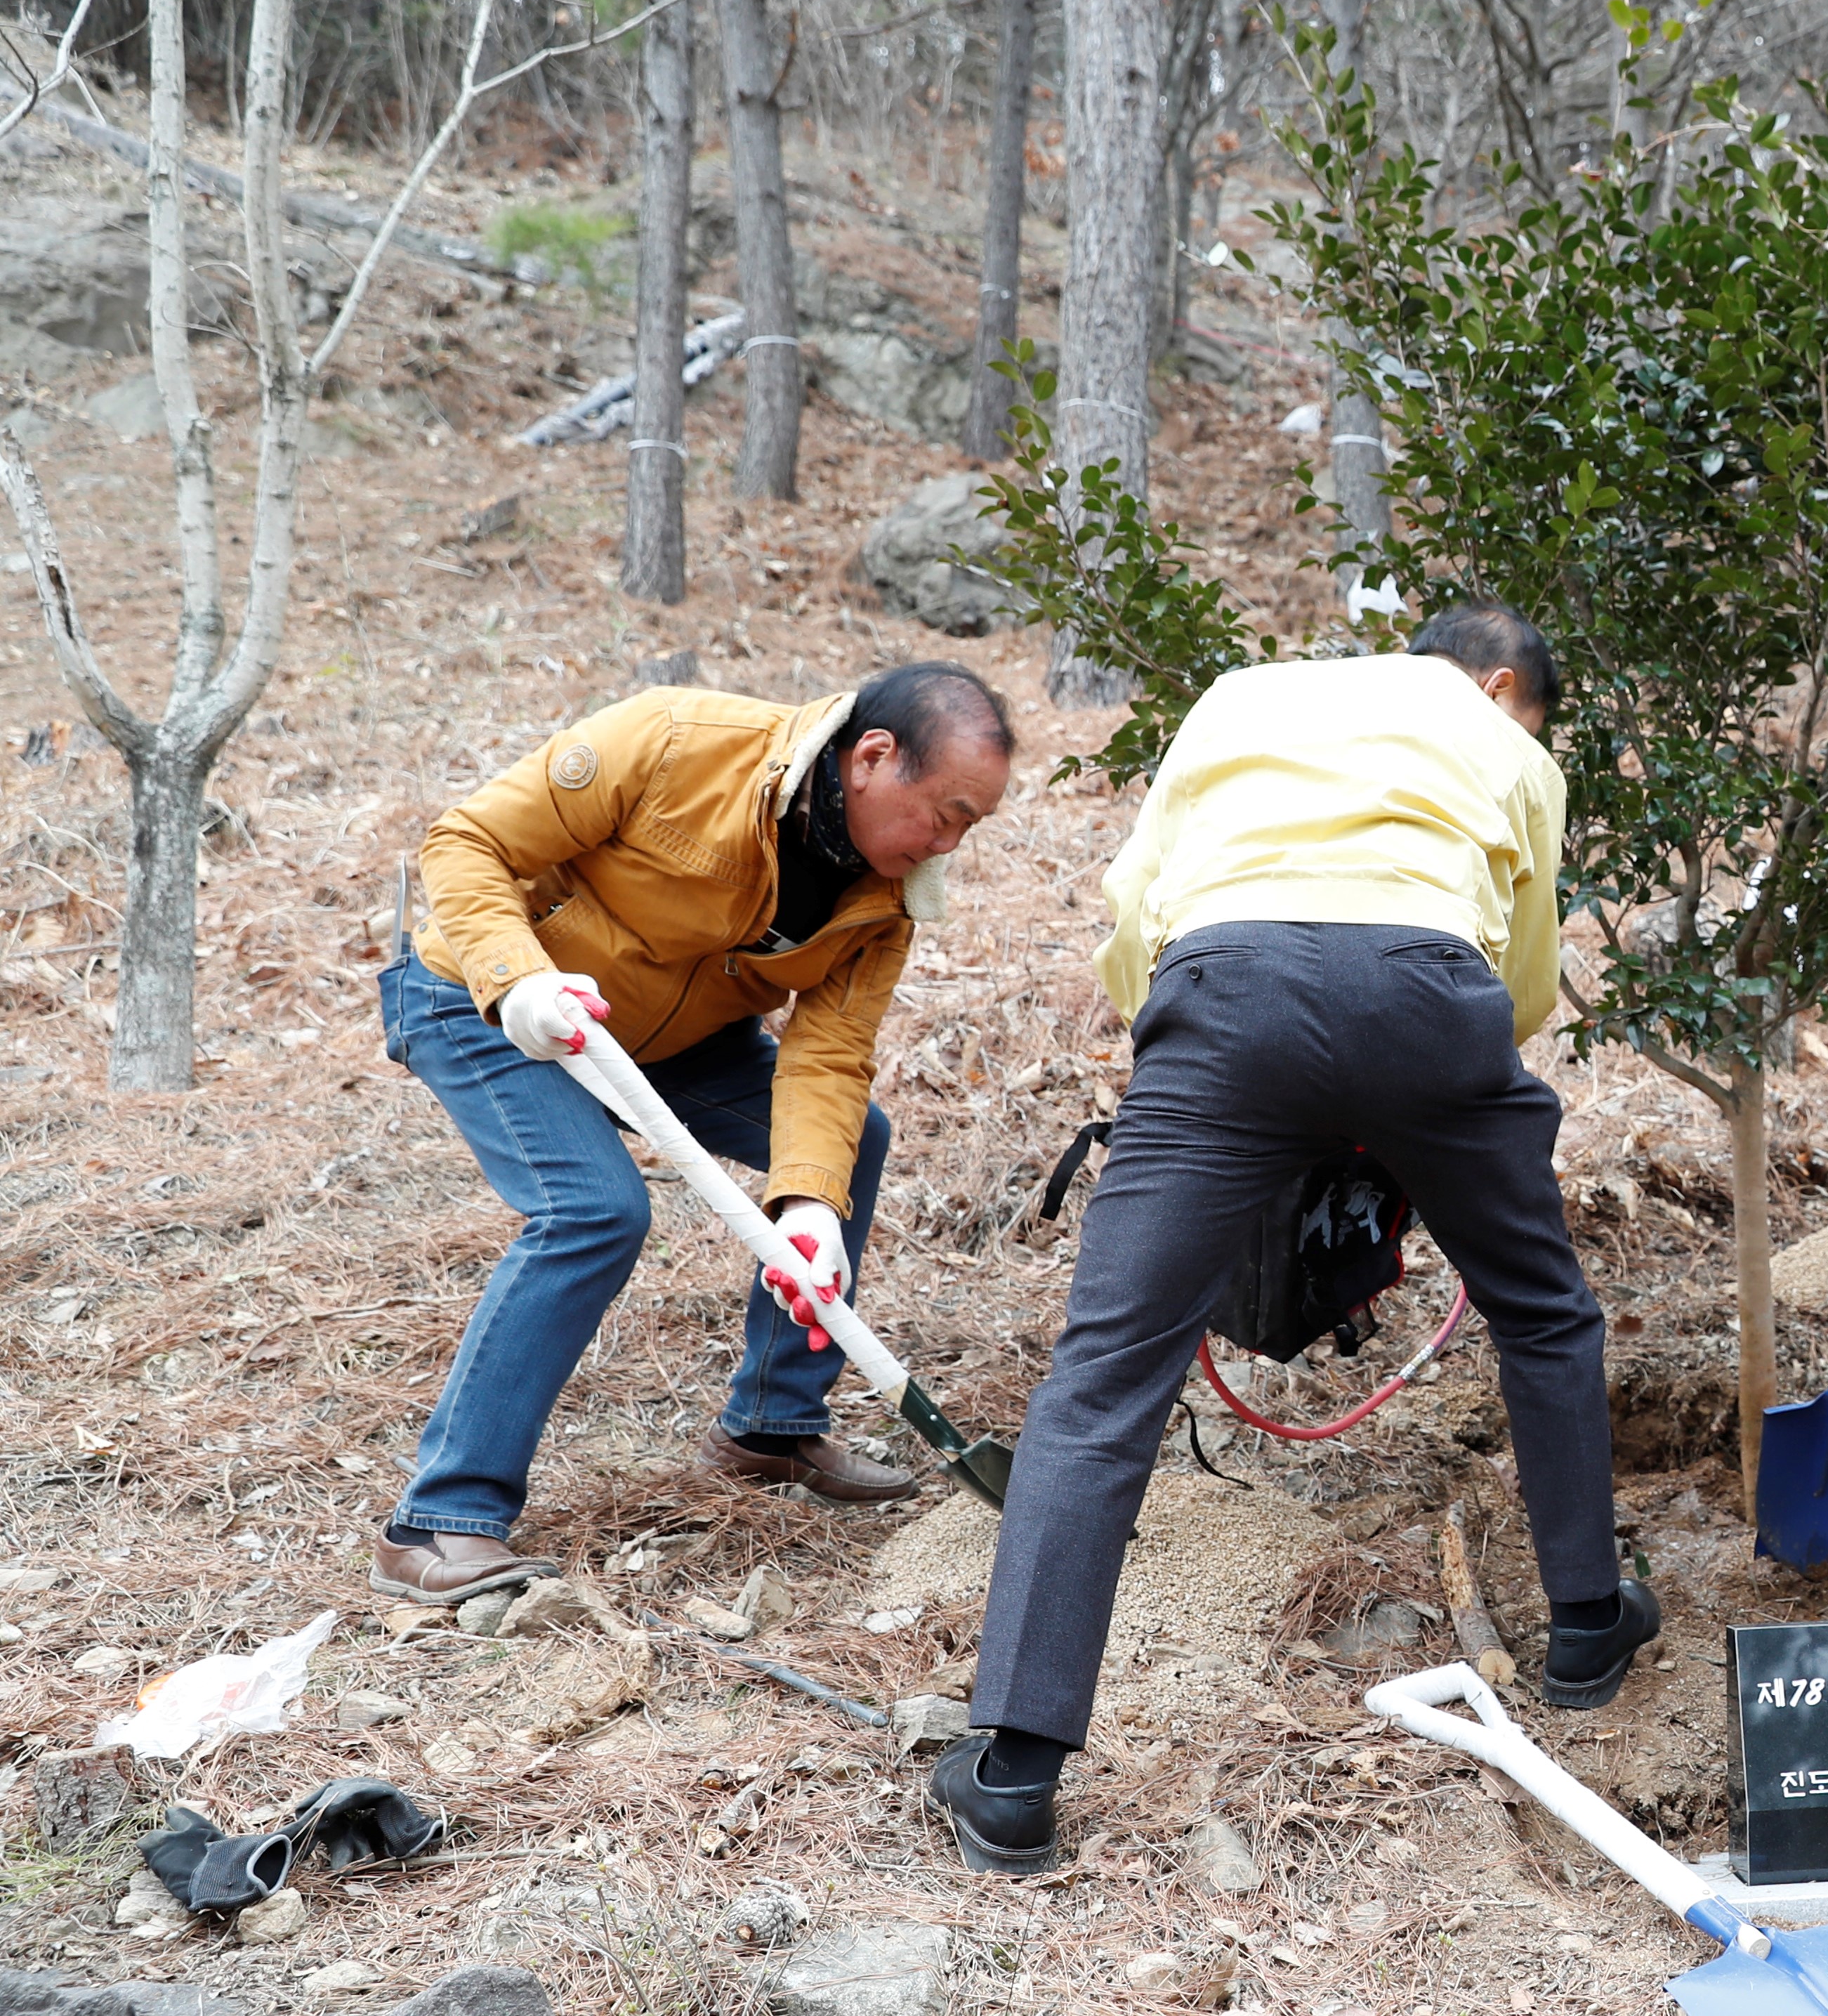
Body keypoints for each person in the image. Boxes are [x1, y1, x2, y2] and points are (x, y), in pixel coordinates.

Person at [932, 602, 1648, 1878]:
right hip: (1432, 996)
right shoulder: (1504, 745)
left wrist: (1208, 1061)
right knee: (1541, 1311)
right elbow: (1524, 979)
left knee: (1101, 1379)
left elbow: (1135, 910)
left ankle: (1012, 1773)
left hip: (1223, 991)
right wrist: (1416, 1090)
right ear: (1497, 687)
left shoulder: (1241, 693)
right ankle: (1587, 1626)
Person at [379, 662, 1018, 1606]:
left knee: (851, 1145)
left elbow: (829, 1055)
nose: (949, 844)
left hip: (665, 1040)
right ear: (874, 759)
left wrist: (805, 1208)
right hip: (484, 1003)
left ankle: (768, 1427)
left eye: (971, 825)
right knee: (594, 1211)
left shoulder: (887, 896)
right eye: (946, 812)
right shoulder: (677, 742)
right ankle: (440, 1522)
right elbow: (467, 842)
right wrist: (518, 979)